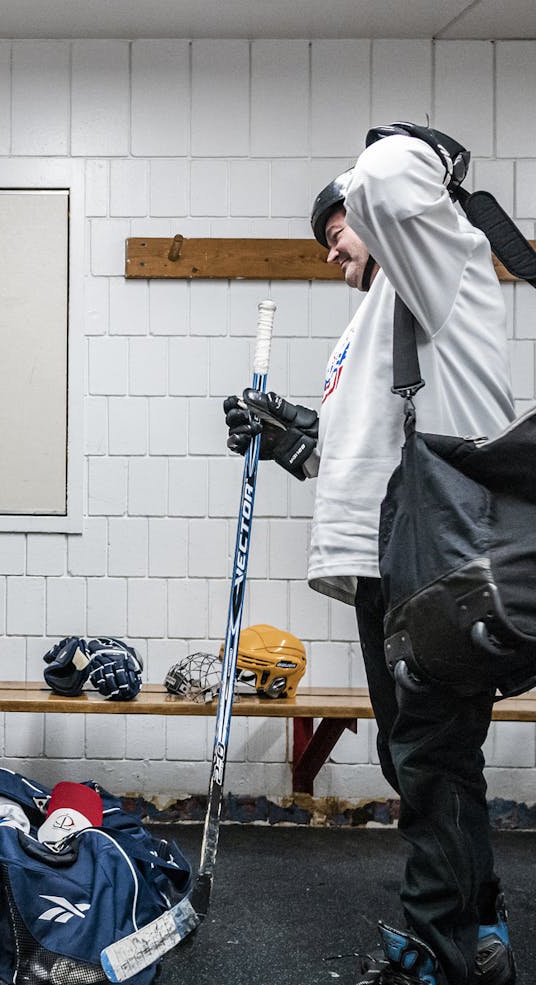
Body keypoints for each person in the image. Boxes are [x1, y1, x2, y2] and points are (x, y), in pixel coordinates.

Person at [224, 127, 516, 985]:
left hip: (435, 562)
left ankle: (441, 952)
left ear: (372, 215)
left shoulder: (439, 264)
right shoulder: (376, 314)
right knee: (416, 753)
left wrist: (392, 150)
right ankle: (480, 926)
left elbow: (391, 178)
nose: (330, 252)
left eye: (335, 232)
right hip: (386, 563)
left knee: (430, 754)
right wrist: (290, 439)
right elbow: (367, 448)